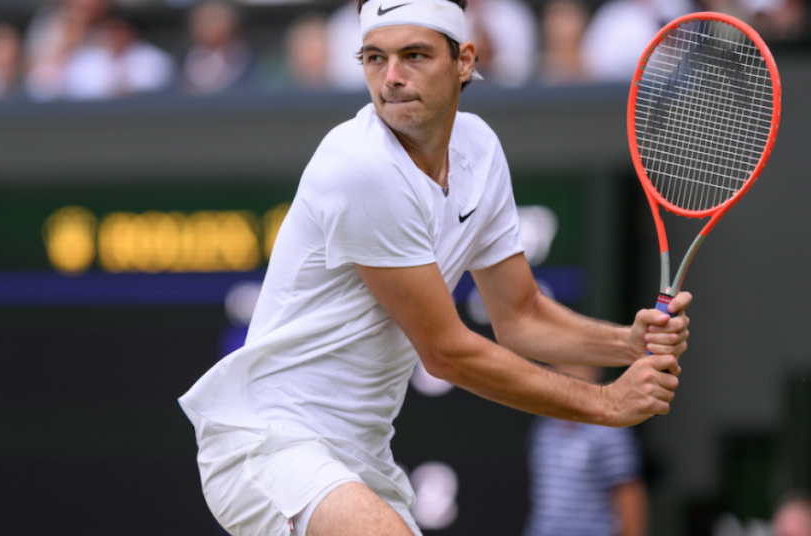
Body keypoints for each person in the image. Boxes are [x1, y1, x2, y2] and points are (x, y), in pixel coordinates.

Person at [179, 0, 691, 534]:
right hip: (266, 443)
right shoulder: (360, 166)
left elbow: (521, 314)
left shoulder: (480, 150)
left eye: (415, 55)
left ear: (464, 60)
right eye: (374, 58)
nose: (392, 78)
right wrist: (607, 402)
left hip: (360, 459)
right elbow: (446, 353)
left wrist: (626, 344)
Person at [524, 365, 648, 536]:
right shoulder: (543, 429)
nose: (568, 372)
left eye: (578, 364)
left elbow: (630, 499)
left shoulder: (611, 431)